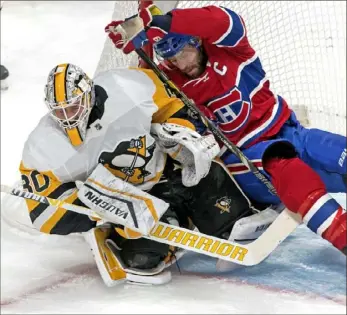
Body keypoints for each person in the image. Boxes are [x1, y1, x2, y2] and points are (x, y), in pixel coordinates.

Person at [106, 4, 346, 255]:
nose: (179, 64)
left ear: (196, 40)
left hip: (289, 131)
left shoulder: (230, 48)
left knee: (334, 151)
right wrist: (140, 47)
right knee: (289, 169)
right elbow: (141, 97)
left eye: (182, 53)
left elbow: (224, 20)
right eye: (171, 58)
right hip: (245, 161)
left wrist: (167, 23)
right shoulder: (166, 80)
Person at [19, 63, 276, 287]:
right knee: (142, 261)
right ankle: (171, 221)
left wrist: (180, 134)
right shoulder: (44, 145)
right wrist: (105, 210)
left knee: (222, 206)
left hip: (171, 173)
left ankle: (217, 212)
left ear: (88, 94)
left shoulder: (127, 86)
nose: (67, 116)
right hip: (132, 200)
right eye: (60, 110)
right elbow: (44, 214)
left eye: (73, 106)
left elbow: (173, 107)